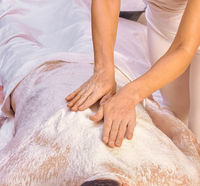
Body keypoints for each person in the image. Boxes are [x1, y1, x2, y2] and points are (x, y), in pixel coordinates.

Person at [0, 0, 199, 186]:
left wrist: (135, 97)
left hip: (42, 72)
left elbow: (184, 51)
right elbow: (181, 131)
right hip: (79, 72)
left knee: (21, 23)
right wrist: (104, 72)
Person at [66, 0, 200, 147]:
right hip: (162, 23)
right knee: (177, 117)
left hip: (184, 39)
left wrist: (130, 94)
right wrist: (103, 71)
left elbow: (183, 47)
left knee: (197, 135)